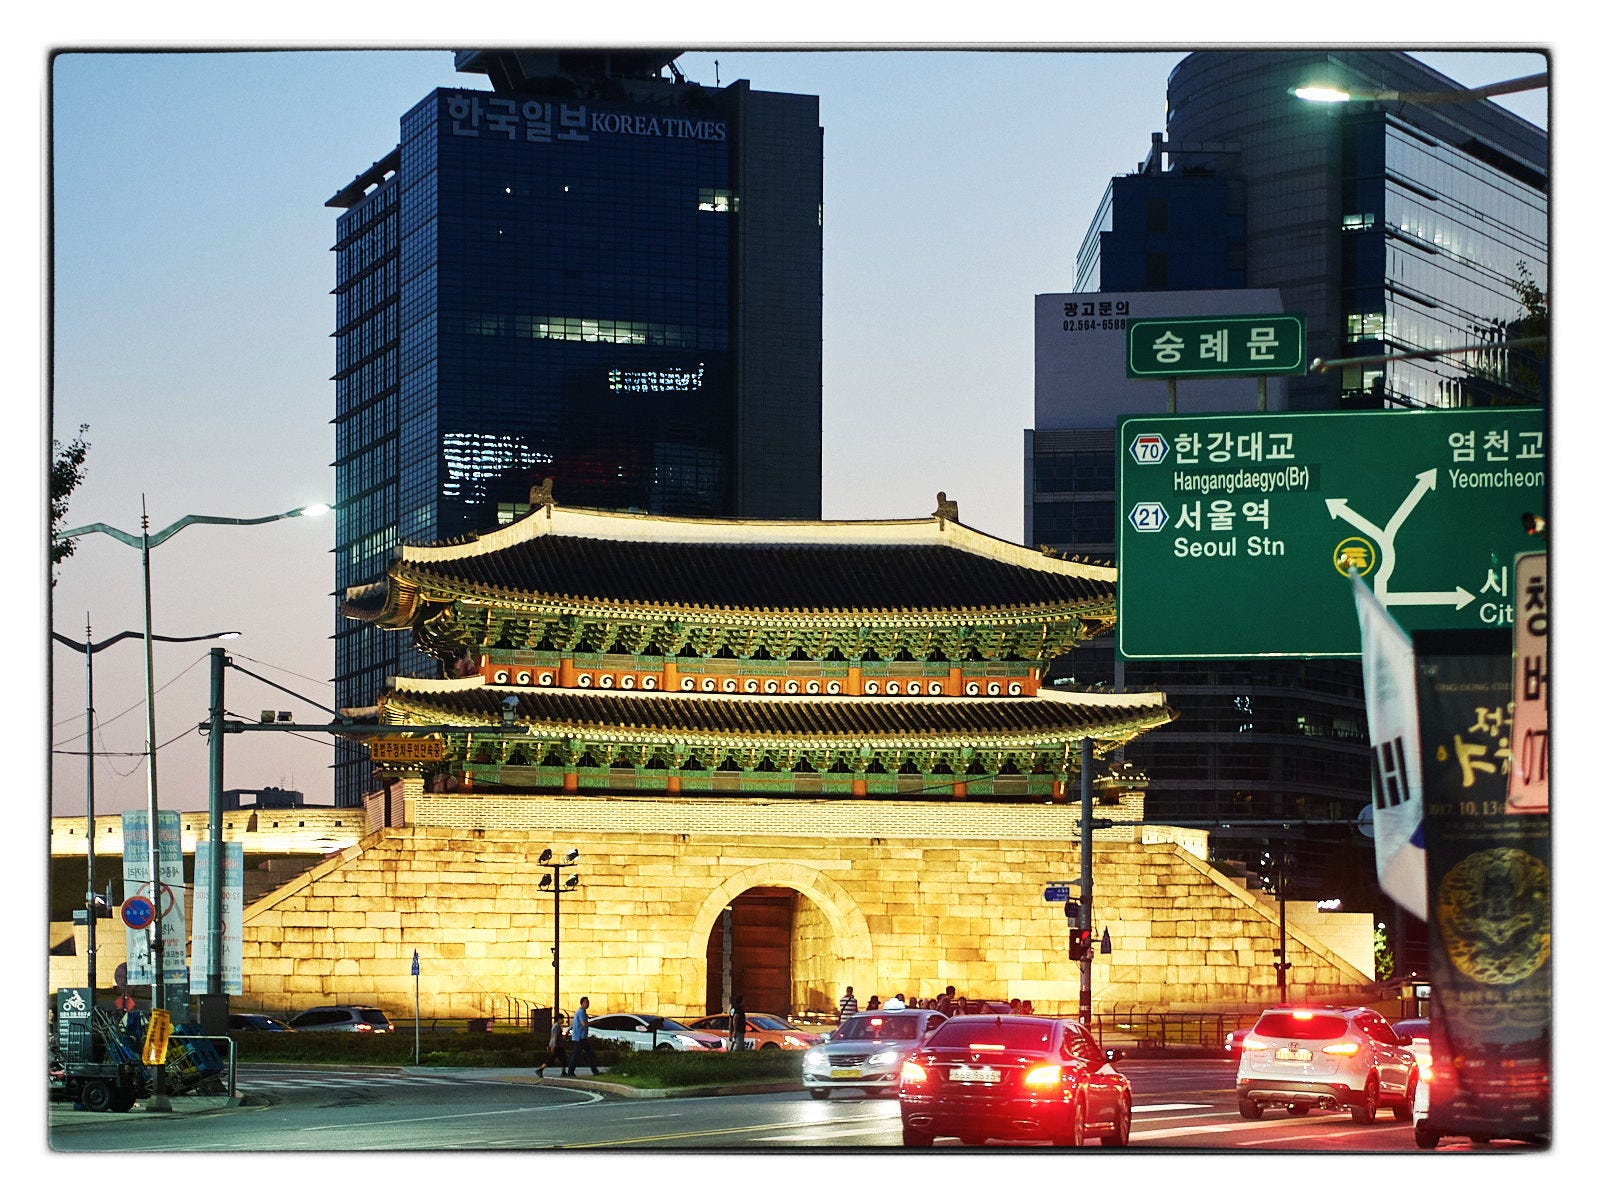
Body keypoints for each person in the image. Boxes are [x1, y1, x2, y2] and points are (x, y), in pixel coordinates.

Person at [564, 996, 599, 1076]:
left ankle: (594, 1070)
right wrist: (595, 1022)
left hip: (581, 1037)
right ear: (582, 1003)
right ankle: (571, 1071)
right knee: (578, 1054)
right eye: (586, 1002)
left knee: (587, 1054)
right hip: (580, 1037)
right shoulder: (581, 1012)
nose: (587, 1004)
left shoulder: (581, 1012)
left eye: (588, 1002)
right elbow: (584, 1024)